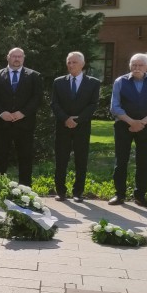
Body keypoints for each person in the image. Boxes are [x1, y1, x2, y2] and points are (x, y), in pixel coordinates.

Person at [109, 53, 147, 207]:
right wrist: (132, 122)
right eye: (134, 64)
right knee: (121, 161)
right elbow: (115, 107)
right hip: (123, 125)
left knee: (143, 162)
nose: (137, 68)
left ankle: (140, 195)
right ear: (130, 65)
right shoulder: (120, 81)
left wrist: (142, 122)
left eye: (140, 65)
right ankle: (119, 195)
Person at [0, 47, 43, 188]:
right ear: (8, 57)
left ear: (23, 58)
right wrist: (1, 112)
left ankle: (25, 188)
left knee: (25, 156)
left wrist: (23, 112)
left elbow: (37, 98)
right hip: (1, 124)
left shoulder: (34, 76)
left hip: (25, 124)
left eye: (19, 56)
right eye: (14, 56)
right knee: (0, 156)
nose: (17, 59)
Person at [50, 51, 101, 201]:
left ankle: (78, 192)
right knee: (61, 159)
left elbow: (93, 104)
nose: (71, 65)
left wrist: (77, 120)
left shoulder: (93, 83)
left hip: (82, 127)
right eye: (69, 62)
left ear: (82, 64)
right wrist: (66, 119)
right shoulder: (58, 82)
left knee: (81, 160)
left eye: (74, 62)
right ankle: (61, 191)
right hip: (62, 126)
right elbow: (54, 103)